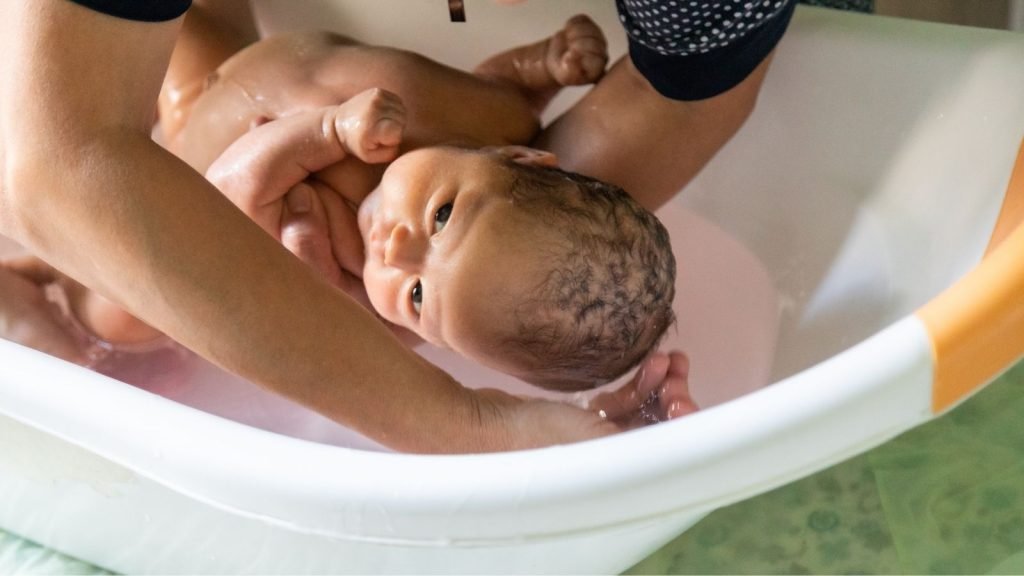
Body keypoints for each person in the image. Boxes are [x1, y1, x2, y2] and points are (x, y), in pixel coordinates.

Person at [0, 0, 694, 452]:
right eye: (445, 215)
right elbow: (503, 89)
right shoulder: (495, 124)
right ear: (513, 156)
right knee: (203, 26)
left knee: (111, 310)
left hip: (181, 179)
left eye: (419, 297)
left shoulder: (350, 293)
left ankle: (28, 285)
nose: (396, 247)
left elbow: (229, 189)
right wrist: (541, 66)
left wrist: (324, 133)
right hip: (206, 90)